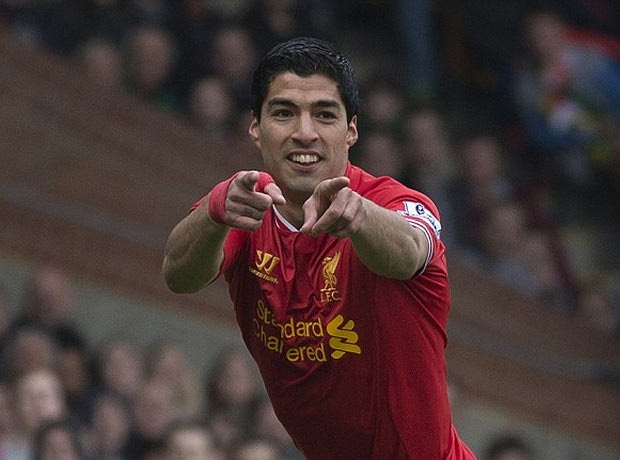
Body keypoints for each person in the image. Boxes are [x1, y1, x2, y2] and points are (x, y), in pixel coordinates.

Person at [162, 37, 475, 459]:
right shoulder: (244, 205)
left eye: (324, 114)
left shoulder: (392, 203)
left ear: (351, 131)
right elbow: (178, 275)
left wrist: (360, 217)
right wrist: (214, 211)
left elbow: (410, 251)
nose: (304, 133)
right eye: (284, 113)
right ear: (255, 128)